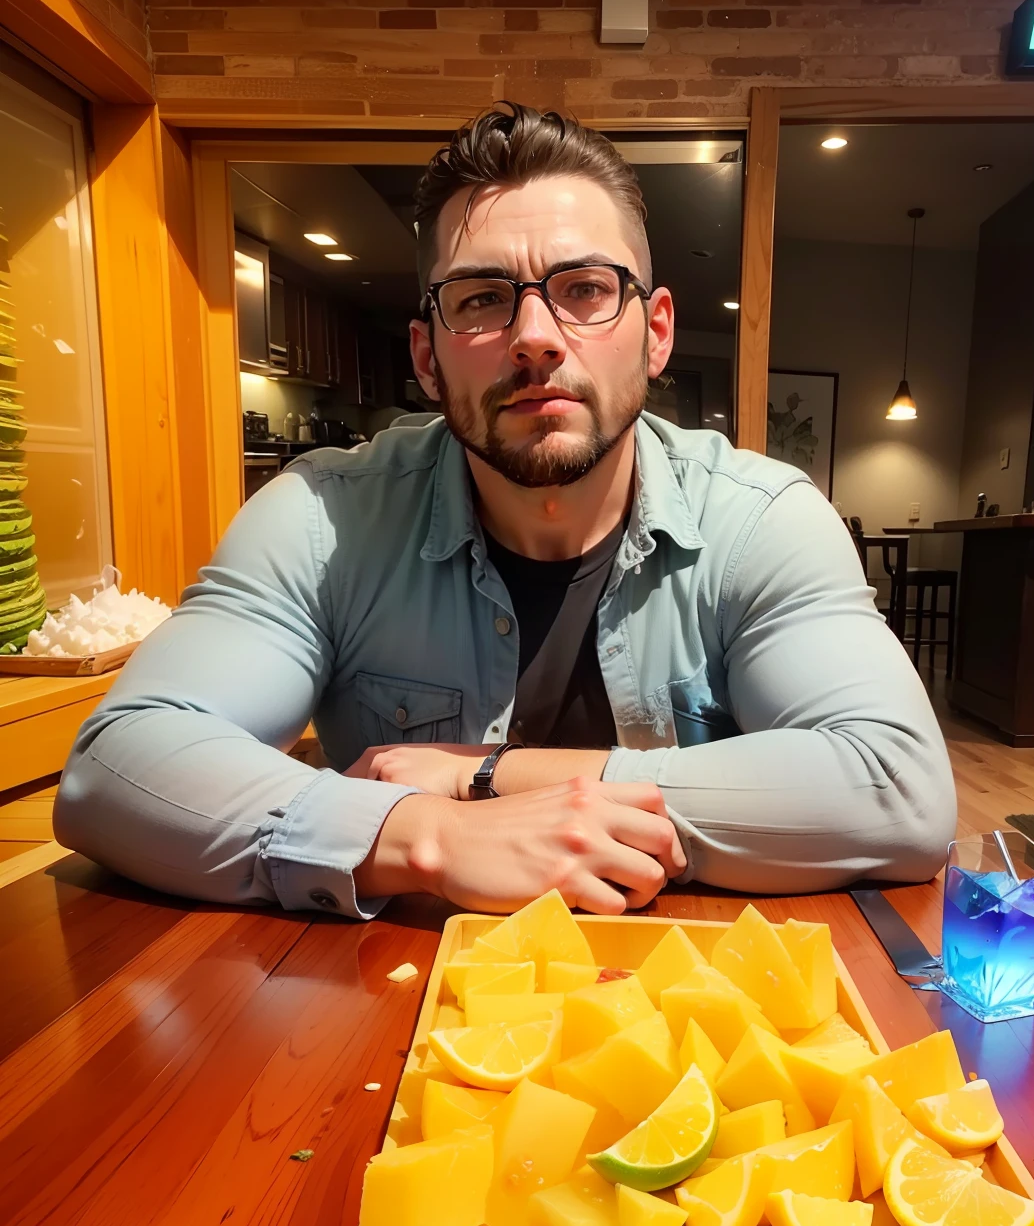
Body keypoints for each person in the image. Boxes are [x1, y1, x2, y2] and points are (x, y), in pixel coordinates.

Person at [56, 104, 956, 917]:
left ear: (656, 331)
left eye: (585, 290)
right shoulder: (324, 518)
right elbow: (116, 765)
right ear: (428, 354)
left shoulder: (762, 519)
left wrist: (490, 777)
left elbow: (899, 789)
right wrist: (428, 836)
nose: (533, 336)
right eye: (482, 299)